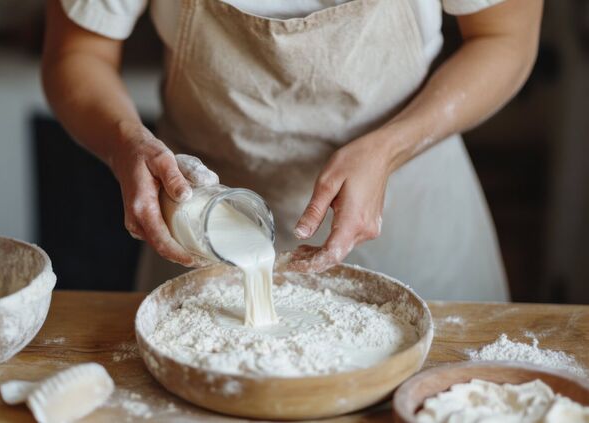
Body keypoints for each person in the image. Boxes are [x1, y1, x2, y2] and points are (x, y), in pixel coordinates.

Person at [42, 0, 543, 300]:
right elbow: (77, 53)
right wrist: (125, 142)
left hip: (410, 213)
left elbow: (506, 38)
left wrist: (391, 147)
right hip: (203, 222)